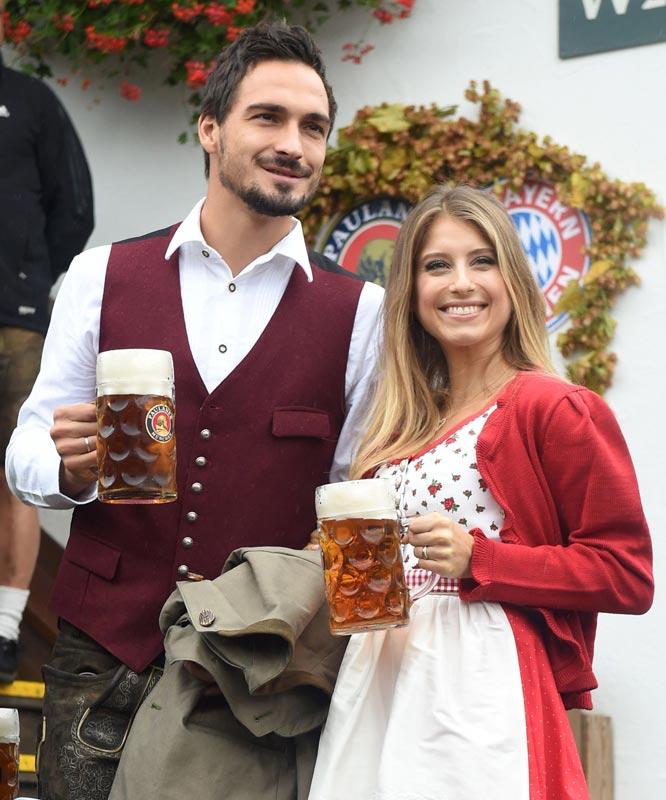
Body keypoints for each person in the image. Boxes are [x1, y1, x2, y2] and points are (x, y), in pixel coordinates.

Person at [6, 20, 382, 800]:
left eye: (314, 127)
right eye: (268, 117)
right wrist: (71, 471)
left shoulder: (362, 313)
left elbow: (356, 500)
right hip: (99, 660)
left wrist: (355, 670)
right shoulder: (101, 274)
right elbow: (26, 452)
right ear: (210, 128)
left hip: (248, 685)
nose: (294, 145)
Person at [307, 185, 653, 800]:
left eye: (482, 261)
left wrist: (481, 559)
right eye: (437, 265)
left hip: (481, 687)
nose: (461, 283)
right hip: (376, 682)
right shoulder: (398, 427)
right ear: (412, 291)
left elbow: (626, 574)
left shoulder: (554, 407)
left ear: (512, 280)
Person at [0, 8, 93, 683]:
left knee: (17, 469)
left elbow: (74, 207)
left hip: (17, 320)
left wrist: (30, 281)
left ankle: (5, 631)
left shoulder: (30, 100)